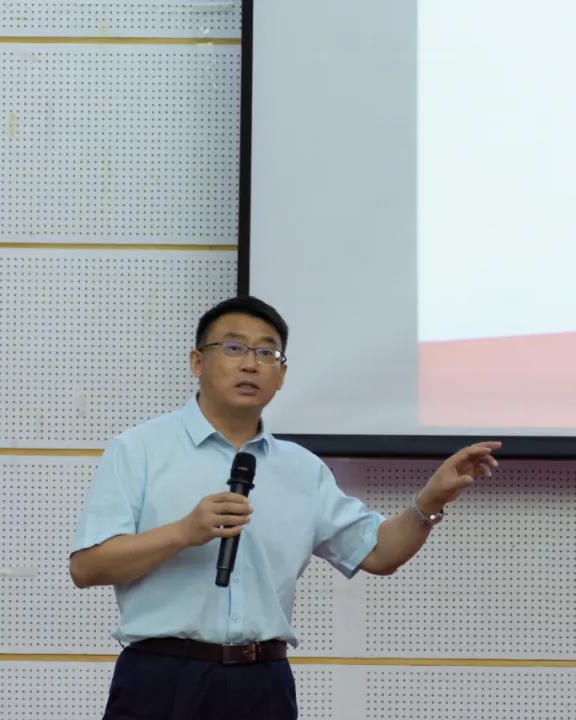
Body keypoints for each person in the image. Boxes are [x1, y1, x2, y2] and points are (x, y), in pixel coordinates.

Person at [70, 295, 500, 720]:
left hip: (263, 683)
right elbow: (87, 567)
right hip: (162, 679)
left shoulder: (301, 469)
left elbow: (379, 553)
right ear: (197, 362)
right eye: (234, 348)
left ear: (282, 375)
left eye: (267, 353)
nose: (250, 364)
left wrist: (430, 500)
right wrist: (183, 532)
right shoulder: (139, 450)